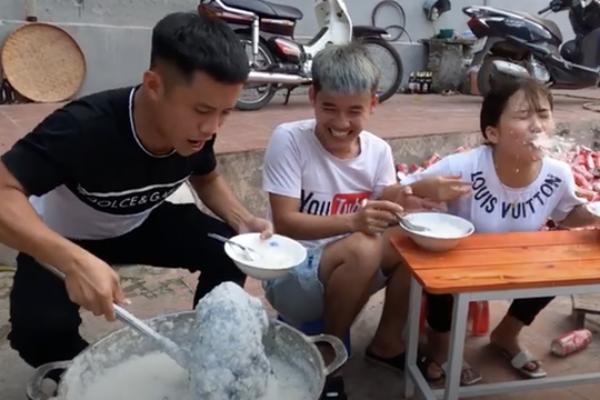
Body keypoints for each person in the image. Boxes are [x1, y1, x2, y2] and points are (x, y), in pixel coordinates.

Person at [0, 12, 272, 371]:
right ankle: (90, 376)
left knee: (230, 250)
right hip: (64, 237)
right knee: (39, 332)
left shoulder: (198, 129)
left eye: (225, 113)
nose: (212, 127)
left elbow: (206, 177)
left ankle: (212, 351)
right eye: (203, 110)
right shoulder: (83, 127)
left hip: (137, 223)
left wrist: (243, 219)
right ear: (154, 85)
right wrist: (72, 260)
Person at [261, 43, 441, 399]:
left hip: (351, 270)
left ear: (373, 105)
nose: (341, 123)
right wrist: (354, 221)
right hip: (291, 273)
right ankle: (330, 358)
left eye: (354, 111)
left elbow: (387, 206)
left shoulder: (378, 150)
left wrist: (414, 193)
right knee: (363, 247)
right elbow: (284, 223)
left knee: (416, 239)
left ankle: (387, 343)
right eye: (329, 108)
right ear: (313, 97)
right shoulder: (289, 139)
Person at [404, 78, 600, 384]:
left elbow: (567, 216)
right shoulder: (463, 167)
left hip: (516, 261)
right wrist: (423, 189)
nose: (537, 126)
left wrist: (592, 215)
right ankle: (440, 345)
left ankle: (507, 334)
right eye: (523, 116)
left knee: (558, 264)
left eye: (543, 115)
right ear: (492, 133)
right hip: (459, 264)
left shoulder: (557, 173)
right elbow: (398, 192)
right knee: (439, 265)